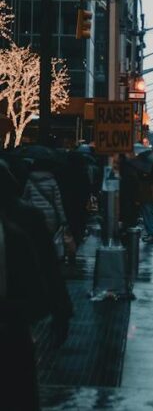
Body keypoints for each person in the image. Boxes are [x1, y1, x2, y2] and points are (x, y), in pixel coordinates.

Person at [0, 159, 73, 410]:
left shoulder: (22, 222)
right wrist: (60, 309)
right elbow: (48, 270)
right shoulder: (27, 219)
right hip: (14, 330)